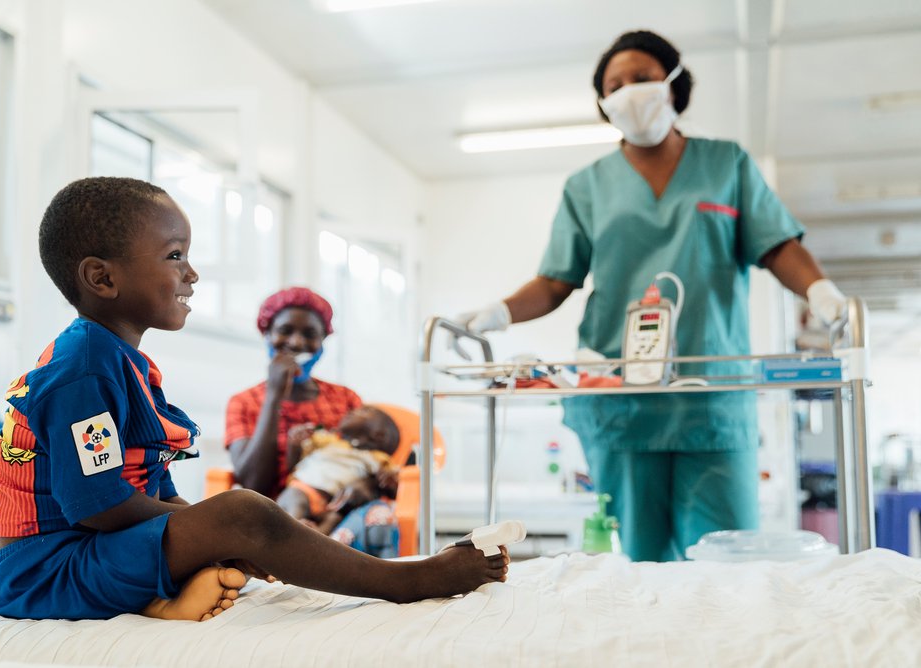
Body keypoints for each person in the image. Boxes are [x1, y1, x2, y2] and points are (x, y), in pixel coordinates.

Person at [0, 176, 508, 622]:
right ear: (102, 277)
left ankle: (166, 602)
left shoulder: (126, 365)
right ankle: (405, 581)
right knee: (243, 512)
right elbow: (99, 505)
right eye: (174, 256)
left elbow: (155, 486)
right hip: (47, 571)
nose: (191, 274)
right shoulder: (83, 368)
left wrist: (213, 532)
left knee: (237, 521)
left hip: (91, 553)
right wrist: (225, 530)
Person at [455, 30, 848, 562]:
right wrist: (498, 313)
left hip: (712, 395)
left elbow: (777, 245)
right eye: (614, 85)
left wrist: (822, 294)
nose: (628, 92)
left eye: (640, 78)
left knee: (725, 559)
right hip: (622, 399)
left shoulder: (726, 165)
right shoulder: (587, 187)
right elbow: (555, 281)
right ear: (602, 104)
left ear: (672, 83)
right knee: (638, 564)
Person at [224, 287, 401, 557]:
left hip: (341, 515)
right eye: (284, 331)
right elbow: (253, 485)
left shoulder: (344, 399)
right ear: (267, 334)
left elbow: (369, 460)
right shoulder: (244, 403)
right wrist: (274, 397)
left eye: (310, 334)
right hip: (276, 517)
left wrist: (366, 487)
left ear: (323, 342)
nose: (296, 343)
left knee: (380, 518)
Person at [277, 405, 400, 536]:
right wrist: (295, 444)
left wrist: (389, 479)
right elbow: (293, 464)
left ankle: (313, 538)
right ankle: (294, 531)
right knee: (297, 503)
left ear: (378, 435)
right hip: (301, 489)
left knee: (334, 519)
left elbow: (393, 486)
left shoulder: (377, 458)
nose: (351, 411)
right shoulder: (328, 441)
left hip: (330, 505)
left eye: (363, 411)